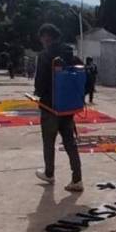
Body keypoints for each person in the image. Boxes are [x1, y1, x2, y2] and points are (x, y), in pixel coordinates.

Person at [33, 23, 83, 192]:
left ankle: (49, 173)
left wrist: (39, 92)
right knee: (70, 142)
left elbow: (39, 84)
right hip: (67, 106)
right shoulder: (70, 53)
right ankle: (77, 179)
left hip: (49, 106)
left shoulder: (45, 55)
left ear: (46, 37)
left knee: (49, 141)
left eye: (42, 37)